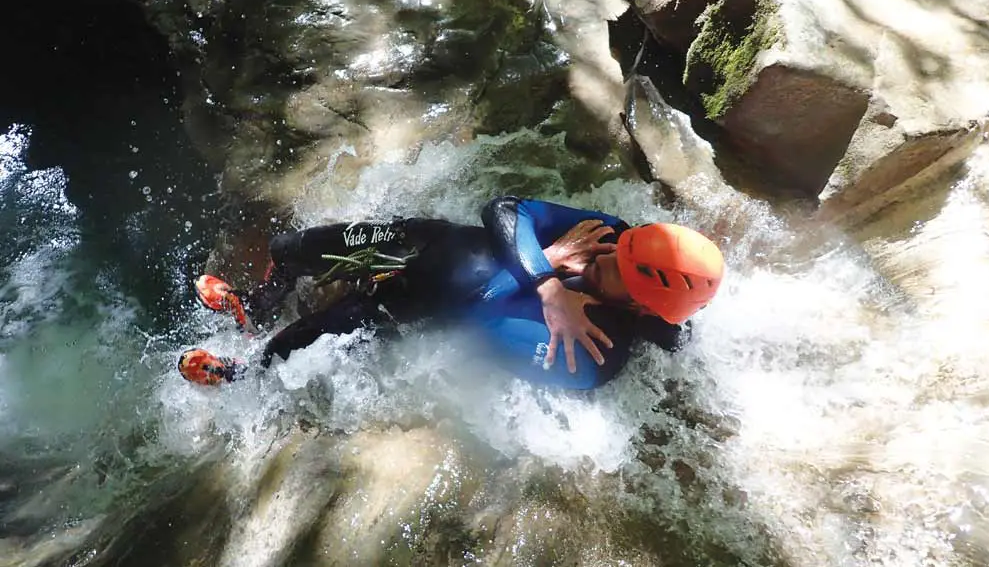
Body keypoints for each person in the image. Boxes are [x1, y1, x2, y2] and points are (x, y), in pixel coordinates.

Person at [178, 195, 725, 390]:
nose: (605, 252)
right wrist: (549, 280)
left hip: (407, 309)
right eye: (621, 246)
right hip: (426, 243)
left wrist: (548, 270)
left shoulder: (594, 353)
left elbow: (469, 318)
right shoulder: (612, 237)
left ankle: (241, 374)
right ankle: (258, 301)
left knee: (293, 346)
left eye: (617, 269)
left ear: (637, 305)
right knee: (291, 246)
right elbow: (504, 209)